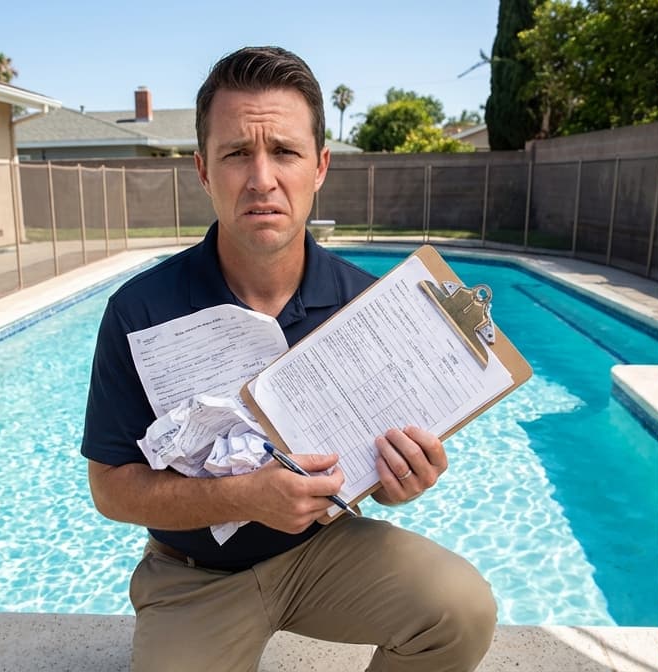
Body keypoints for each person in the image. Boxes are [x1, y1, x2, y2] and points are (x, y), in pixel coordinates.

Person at [81, 46, 495, 672]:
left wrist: (400, 481)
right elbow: (110, 490)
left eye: (285, 151)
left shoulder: (370, 307)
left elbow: (371, 478)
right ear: (201, 168)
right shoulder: (141, 311)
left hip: (321, 553)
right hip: (196, 574)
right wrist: (245, 496)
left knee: (461, 611)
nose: (262, 178)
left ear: (321, 165)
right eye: (235, 153)